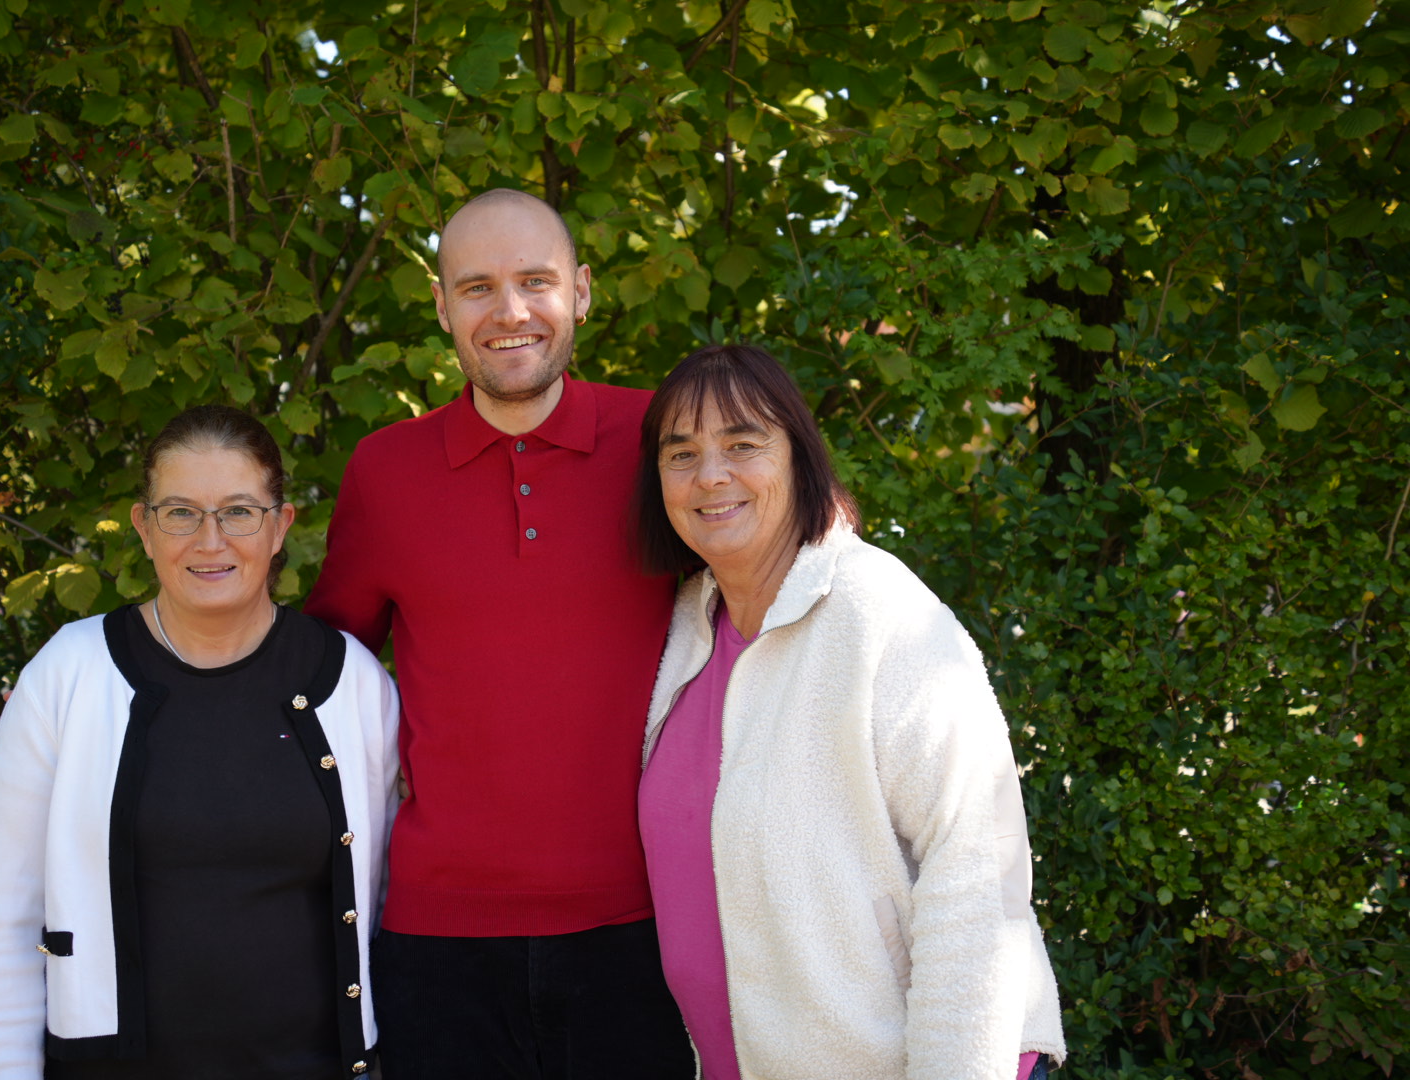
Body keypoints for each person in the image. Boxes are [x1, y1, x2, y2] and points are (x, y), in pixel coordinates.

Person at [301, 188, 693, 1078]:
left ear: (581, 291)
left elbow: (784, 557)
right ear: (442, 306)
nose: (509, 311)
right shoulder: (386, 470)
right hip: (439, 941)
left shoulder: (664, 439)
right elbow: (312, 670)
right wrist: (75, 718)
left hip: (644, 926)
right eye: (477, 287)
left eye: (535, 281)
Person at [632, 344, 1066, 1079]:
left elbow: (976, 870)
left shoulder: (880, 615)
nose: (710, 475)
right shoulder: (685, 627)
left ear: (800, 459)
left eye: (743, 444)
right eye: (682, 455)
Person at [0, 405, 400, 1080]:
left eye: (239, 512)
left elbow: (392, 895)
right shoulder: (69, 675)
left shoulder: (351, 682)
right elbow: (1, 923)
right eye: (181, 513)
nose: (210, 540)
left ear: (280, 526)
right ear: (144, 527)